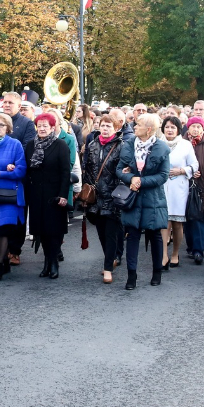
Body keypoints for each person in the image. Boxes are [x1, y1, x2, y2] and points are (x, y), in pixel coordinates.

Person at [115, 113, 170, 290]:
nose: (133, 126)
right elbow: (119, 169)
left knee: (155, 235)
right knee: (132, 235)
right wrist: (131, 178)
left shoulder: (162, 147)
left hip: (153, 198)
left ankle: (157, 272)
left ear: (148, 129)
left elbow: (163, 175)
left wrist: (141, 181)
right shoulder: (128, 145)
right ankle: (131, 275)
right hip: (133, 197)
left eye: (137, 124)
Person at [23, 112, 70, 280]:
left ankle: (54, 263)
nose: (42, 128)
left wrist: (63, 195)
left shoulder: (61, 145)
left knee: (54, 231)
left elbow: (66, 172)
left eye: (45, 126)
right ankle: (46, 262)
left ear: (52, 128)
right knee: (40, 231)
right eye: (39, 125)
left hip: (54, 195)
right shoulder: (30, 145)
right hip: (35, 194)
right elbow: (27, 170)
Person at [83, 110, 126, 282]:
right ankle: (110, 259)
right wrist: (86, 189)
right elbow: (87, 167)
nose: (106, 129)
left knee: (110, 233)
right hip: (95, 196)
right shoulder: (93, 145)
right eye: (103, 126)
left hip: (112, 196)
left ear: (116, 128)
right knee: (100, 233)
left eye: (109, 126)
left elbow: (124, 170)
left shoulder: (121, 146)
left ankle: (108, 267)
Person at [0, 112, 27, 281]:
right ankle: (4, 261)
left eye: (1, 125)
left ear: (8, 128)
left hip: (9, 194)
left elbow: (21, 170)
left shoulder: (15, 144)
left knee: (3, 229)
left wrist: (0, 174)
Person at [159, 115, 197, 270]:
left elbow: (195, 164)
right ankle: (163, 255)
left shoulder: (186, 145)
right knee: (163, 222)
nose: (169, 130)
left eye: (173, 127)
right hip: (161, 186)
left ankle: (175, 253)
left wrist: (182, 170)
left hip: (179, 187)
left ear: (178, 130)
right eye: (167, 127)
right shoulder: (158, 143)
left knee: (176, 223)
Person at [184, 117, 204, 264]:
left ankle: (198, 250)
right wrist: (189, 172)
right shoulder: (182, 143)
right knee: (187, 219)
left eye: (198, 126)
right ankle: (190, 246)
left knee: (199, 218)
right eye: (193, 126)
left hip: (202, 187)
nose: (195, 129)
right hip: (184, 185)